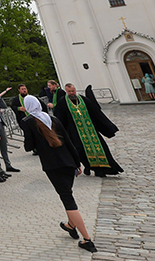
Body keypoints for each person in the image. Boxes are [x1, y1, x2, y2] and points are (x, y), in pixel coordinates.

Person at [19, 95, 97, 253]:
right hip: (68, 162)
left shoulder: (27, 122)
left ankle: (87, 240)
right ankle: (70, 226)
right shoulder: (52, 118)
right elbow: (68, 141)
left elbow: (29, 146)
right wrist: (77, 162)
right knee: (67, 193)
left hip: (52, 166)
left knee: (67, 199)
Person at [53, 83, 123, 177]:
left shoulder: (83, 100)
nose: (71, 93)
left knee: (101, 148)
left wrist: (107, 127)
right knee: (80, 151)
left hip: (91, 131)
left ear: (75, 90)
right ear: (66, 91)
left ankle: (103, 169)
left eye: (73, 91)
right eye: (69, 91)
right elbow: (60, 119)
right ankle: (88, 166)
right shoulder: (63, 102)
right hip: (75, 132)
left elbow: (96, 113)